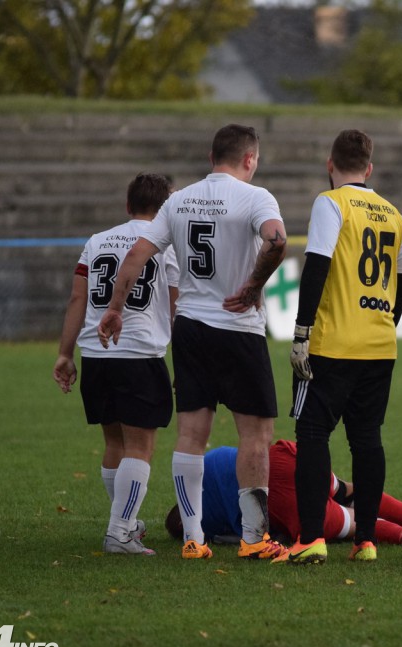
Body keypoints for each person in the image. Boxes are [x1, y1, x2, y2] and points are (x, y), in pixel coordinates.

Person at [98, 124, 289, 562]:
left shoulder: (177, 200)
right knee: (256, 435)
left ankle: (194, 538)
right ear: (250, 159)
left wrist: (114, 308)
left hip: (190, 329)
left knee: (191, 435)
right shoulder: (257, 197)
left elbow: (135, 257)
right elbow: (276, 241)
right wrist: (253, 285)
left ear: (210, 157)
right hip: (238, 328)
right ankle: (254, 537)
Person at [286, 130, 402, 565]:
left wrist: (301, 333)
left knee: (313, 432)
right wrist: (382, 324)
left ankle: (311, 538)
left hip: (333, 343)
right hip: (379, 345)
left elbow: (316, 265)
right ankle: (367, 542)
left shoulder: (330, 202)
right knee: (366, 439)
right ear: (369, 168)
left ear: (330, 164)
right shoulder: (393, 213)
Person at [53, 173, 178, 555]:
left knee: (114, 442)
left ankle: (122, 523)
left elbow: (78, 300)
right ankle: (120, 531)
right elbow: (175, 306)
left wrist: (64, 353)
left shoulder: (96, 242)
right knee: (141, 446)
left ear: (128, 205)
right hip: (138, 353)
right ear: (166, 209)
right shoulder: (166, 245)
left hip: (96, 354)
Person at [164, 440, 402, 549]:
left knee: (352, 522)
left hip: (280, 503)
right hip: (285, 459)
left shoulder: (207, 527)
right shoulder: (208, 462)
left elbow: (253, 528)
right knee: (348, 491)